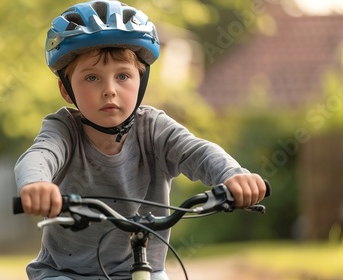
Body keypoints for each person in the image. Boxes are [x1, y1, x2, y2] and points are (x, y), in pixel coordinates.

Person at [15, 1, 267, 279]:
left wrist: (232, 175)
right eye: (91, 78)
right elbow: (40, 155)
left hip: (145, 268)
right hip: (66, 272)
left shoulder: (154, 129)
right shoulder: (63, 130)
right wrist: (36, 184)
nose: (109, 90)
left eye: (123, 75)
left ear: (141, 79)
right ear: (66, 89)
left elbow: (197, 151)